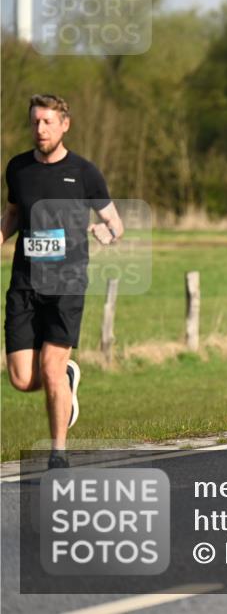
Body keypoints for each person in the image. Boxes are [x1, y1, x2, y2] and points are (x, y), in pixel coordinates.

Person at [2, 94, 124, 469]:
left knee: (51, 369)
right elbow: (12, 214)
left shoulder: (85, 173)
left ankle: (58, 453)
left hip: (67, 285)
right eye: (35, 122)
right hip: (25, 283)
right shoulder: (18, 168)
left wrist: (106, 234)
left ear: (64, 125)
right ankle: (68, 378)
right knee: (22, 379)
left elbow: (115, 223)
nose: (40, 129)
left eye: (48, 122)